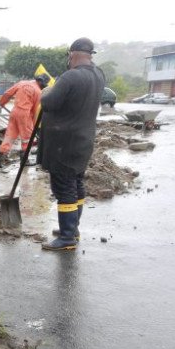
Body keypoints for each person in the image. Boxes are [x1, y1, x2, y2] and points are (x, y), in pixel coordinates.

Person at [38, 37, 106, 251]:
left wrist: (46, 92)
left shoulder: (70, 77)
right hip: (83, 141)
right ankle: (72, 228)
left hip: (64, 145)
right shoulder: (98, 75)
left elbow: (49, 103)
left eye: (69, 56)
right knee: (76, 184)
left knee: (65, 188)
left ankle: (67, 237)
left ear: (73, 54)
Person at [0, 73, 49, 155]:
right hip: (25, 115)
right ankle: (24, 159)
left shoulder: (22, 83)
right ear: (42, 83)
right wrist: (33, 125)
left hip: (14, 112)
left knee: (10, 135)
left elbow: (8, 93)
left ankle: (0, 155)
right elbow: (34, 111)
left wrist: (2, 102)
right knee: (27, 138)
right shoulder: (38, 92)